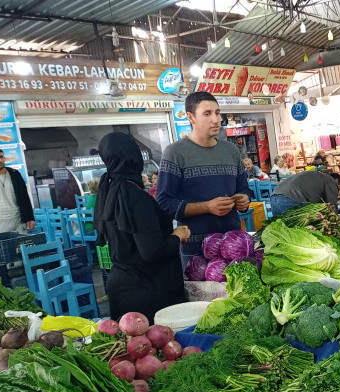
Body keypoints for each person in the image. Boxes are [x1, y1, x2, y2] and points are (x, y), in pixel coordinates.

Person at [94, 132, 189, 322]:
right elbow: (152, 252)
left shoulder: (109, 191)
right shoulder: (134, 196)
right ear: (134, 157)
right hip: (146, 293)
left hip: (124, 289)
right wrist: (177, 235)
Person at [156, 91, 253, 264]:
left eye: (217, 112)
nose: (215, 119)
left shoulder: (231, 151)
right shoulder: (175, 153)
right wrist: (207, 207)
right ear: (191, 117)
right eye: (207, 114)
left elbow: (243, 189)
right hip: (195, 249)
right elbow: (164, 203)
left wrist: (244, 199)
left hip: (232, 245)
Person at [270, 170, 340, 216]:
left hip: (274, 197)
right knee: (300, 232)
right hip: (291, 199)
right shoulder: (331, 180)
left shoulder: (316, 176)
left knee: (281, 231)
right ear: (336, 181)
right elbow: (332, 206)